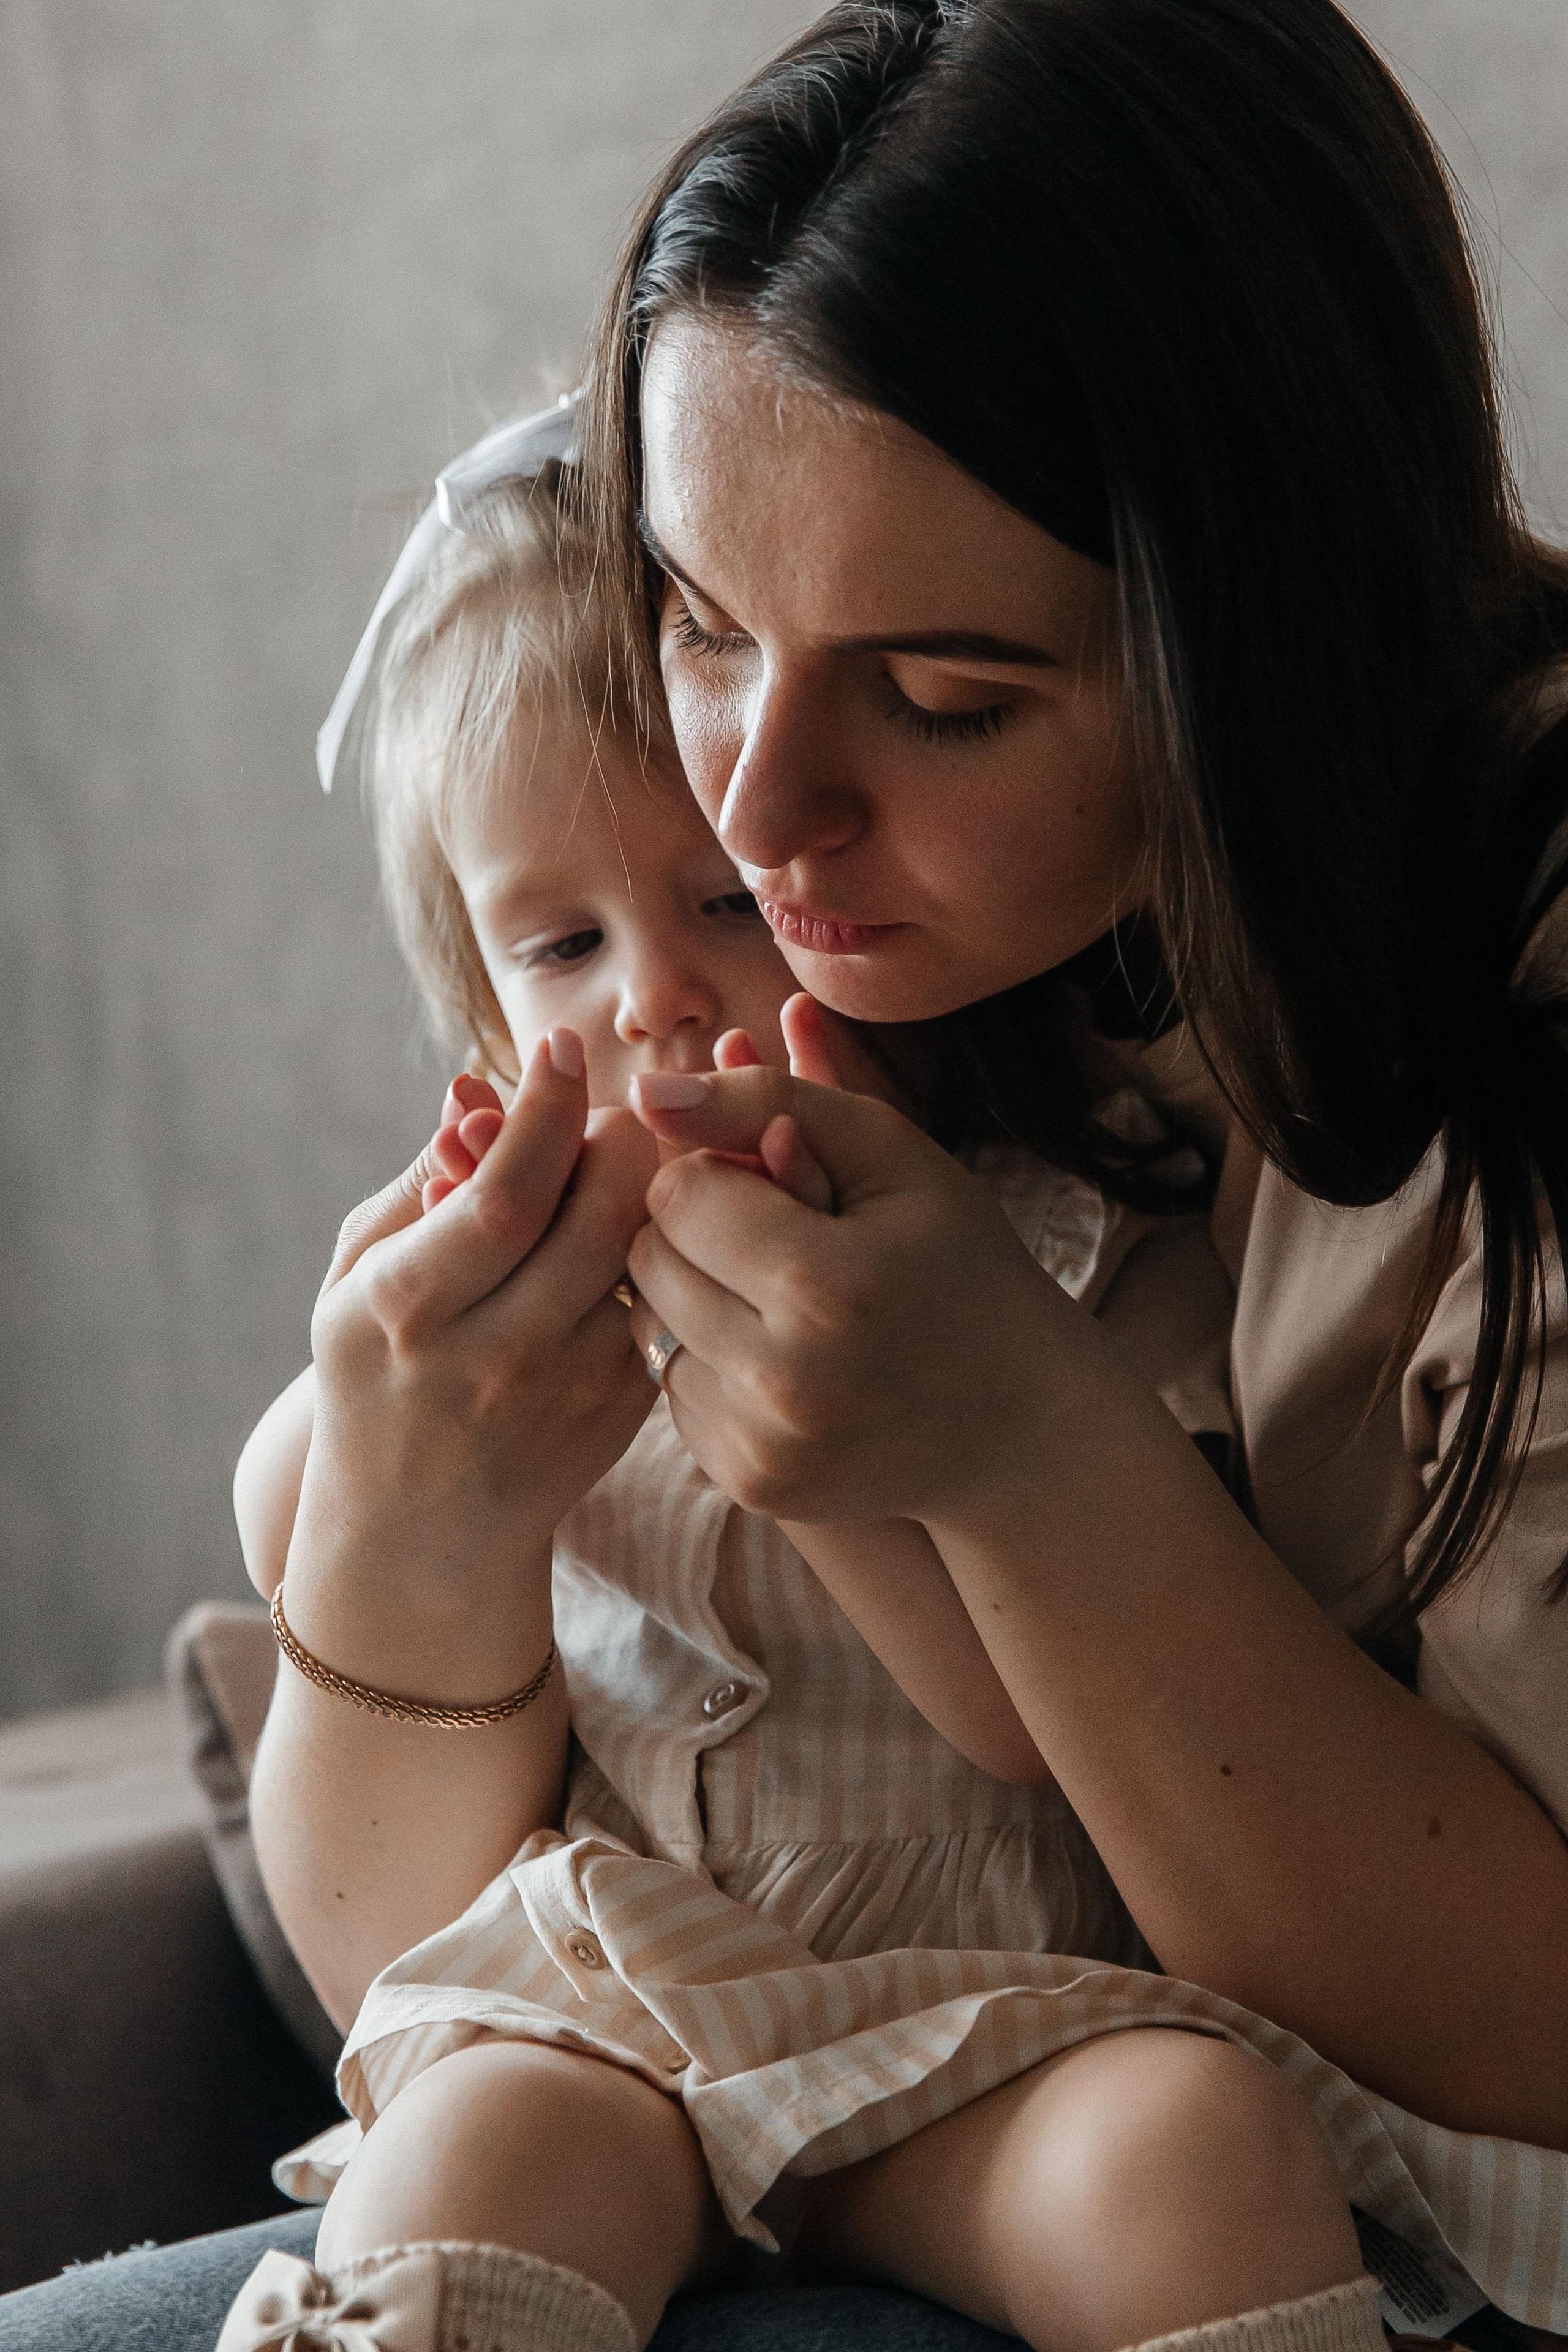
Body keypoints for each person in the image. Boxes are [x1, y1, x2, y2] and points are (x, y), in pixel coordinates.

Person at [218, 427, 1251, 2352]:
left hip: (985, 2020)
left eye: (722, 905)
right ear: (477, 997)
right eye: (558, 943)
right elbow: (372, 1919)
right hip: (611, 2022)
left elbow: (1031, 1727)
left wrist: (831, 1400)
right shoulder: (482, 1345)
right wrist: (383, 1466)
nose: (653, 1004)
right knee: (461, 2141)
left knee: (1191, 2153)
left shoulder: (1078, 1247)